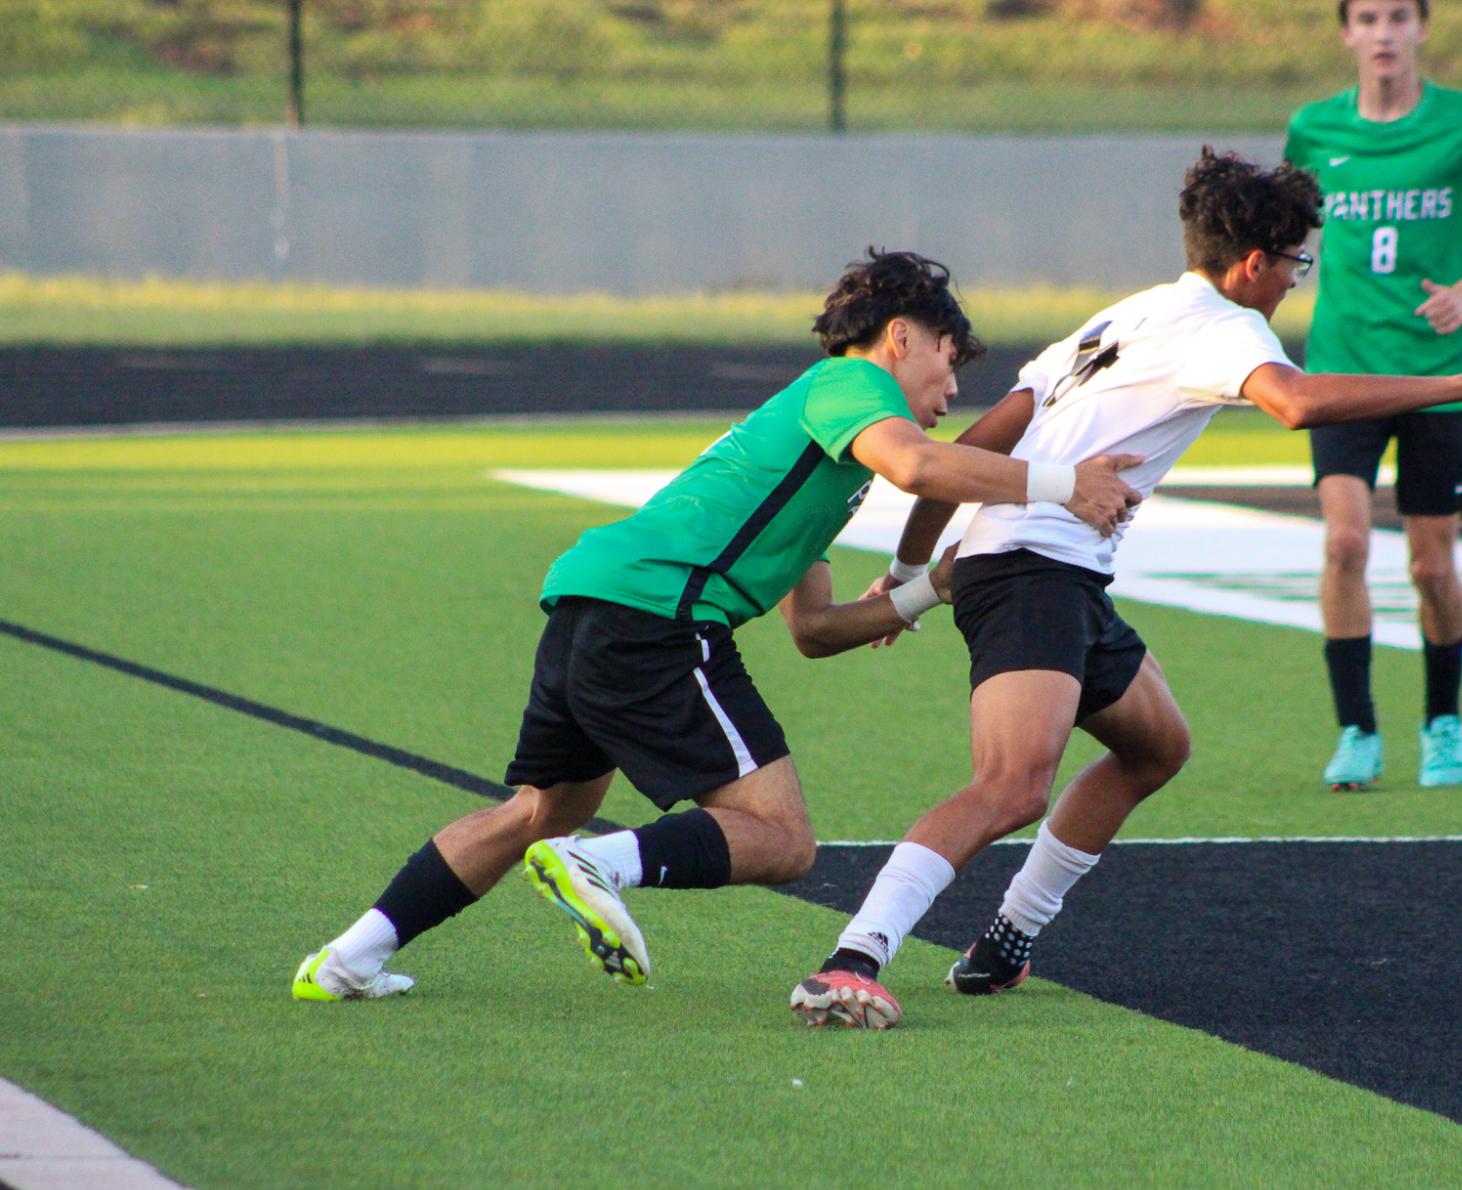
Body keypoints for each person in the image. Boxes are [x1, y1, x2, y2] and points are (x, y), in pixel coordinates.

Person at [788, 149, 1462, 1030]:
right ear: (1252, 264)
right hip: (1033, 568)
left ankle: (1008, 937)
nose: (1295, 283)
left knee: (1156, 748)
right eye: (1295, 264)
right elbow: (1295, 404)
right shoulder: (1225, 326)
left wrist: (908, 571)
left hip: (1056, 570)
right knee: (1009, 785)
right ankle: (854, 957)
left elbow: (991, 435)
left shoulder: (1123, 316)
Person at [292, 249, 1144, 1000]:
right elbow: (920, 468)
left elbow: (811, 629)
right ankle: (604, 864)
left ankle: (349, 957)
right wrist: (1061, 483)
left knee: (538, 811)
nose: (953, 391)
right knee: (782, 840)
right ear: (898, 338)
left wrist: (927, 591)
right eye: (948, 361)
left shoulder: (821, 455)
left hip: (595, 602)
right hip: (659, 617)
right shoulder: (850, 387)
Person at [1282, 0, 1462, 792]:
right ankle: (1356, 731)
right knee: (1344, 544)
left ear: (1421, 28)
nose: (1382, 31)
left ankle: (1442, 724)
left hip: (1439, 379)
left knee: (1430, 565)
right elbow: (1282, 234)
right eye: (1366, 17)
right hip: (1342, 371)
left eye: (1397, 16)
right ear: (1346, 33)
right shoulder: (1313, 130)